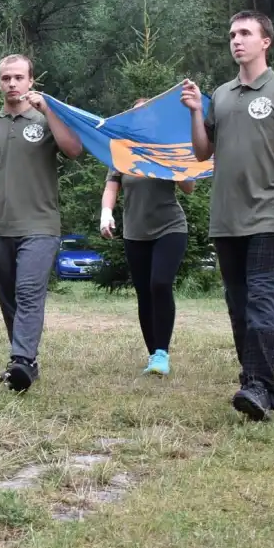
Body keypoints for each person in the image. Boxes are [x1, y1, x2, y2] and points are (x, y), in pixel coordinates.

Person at [0, 54, 83, 392]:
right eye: (5, 78)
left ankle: (22, 361)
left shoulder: (45, 122)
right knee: (9, 298)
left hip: (40, 227)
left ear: (31, 81)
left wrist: (48, 112)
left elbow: (73, 149)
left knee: (29, 292)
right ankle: (24, 359)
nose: (11, 84)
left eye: (18, 77)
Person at [181, 10, 274, 422]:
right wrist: (194, 109)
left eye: (245, 33)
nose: (236, 40)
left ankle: (261, 387)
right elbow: (203, 153)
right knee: (238, 304)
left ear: (266, 42)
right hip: (225, 218)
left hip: (268, 215)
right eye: (232, 34)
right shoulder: (221, 95)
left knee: (261, 300)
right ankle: (252, 381)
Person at [99, 99, 194, 376]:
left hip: (170, 227)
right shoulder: (124, 150)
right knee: (144, 293)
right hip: (134, 232)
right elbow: (111, 186)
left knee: (160, 284)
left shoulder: (166, 147)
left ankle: (163, 353)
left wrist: (177, 162)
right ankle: (153, 355)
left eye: (147, 114)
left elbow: (189, 188)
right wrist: (106, 213)